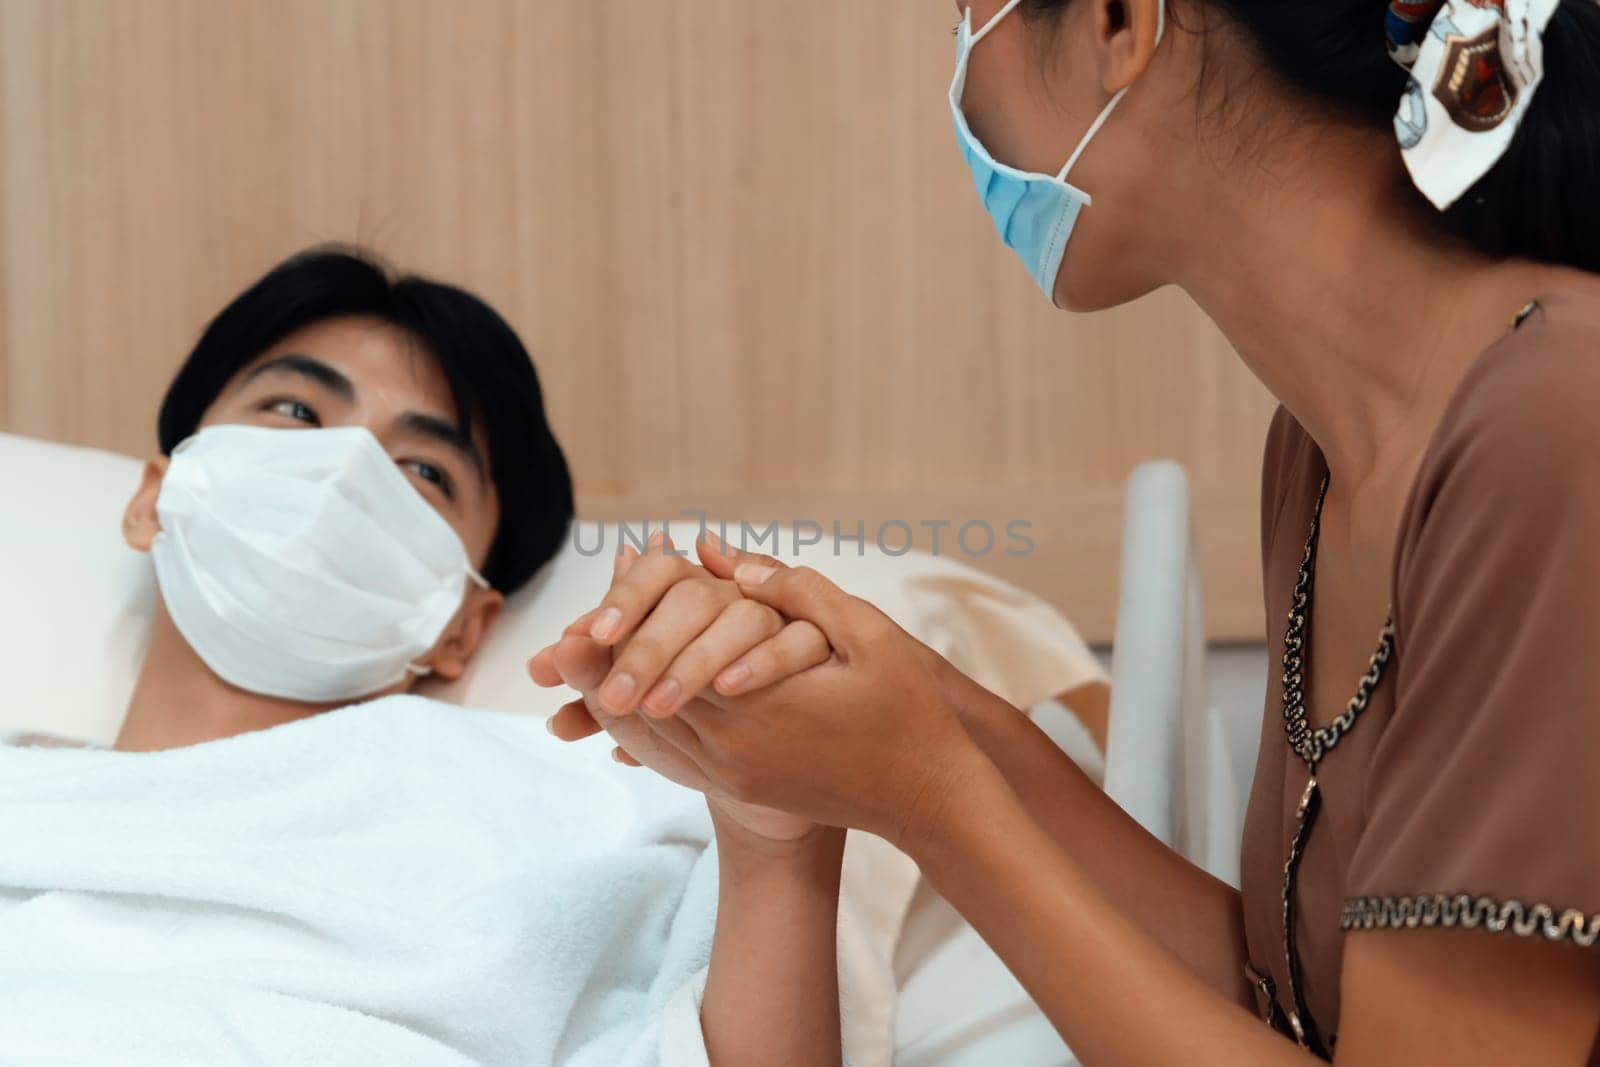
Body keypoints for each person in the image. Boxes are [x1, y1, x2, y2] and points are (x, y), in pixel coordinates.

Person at [535, 0, 1600, 1062]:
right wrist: (886, 693)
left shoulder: (1556, 425)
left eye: (968, 15)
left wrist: (925, 794)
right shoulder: (1318, 455)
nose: (958, 75)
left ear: (1117, 22)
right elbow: (1286, 1002)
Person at [1, 246, 855, 1066]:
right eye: (297, 411)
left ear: (462, 626)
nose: (345, 471)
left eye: (422, 470)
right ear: (156, 498)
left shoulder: (585, 808)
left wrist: (779, 839)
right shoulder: (26, 796)